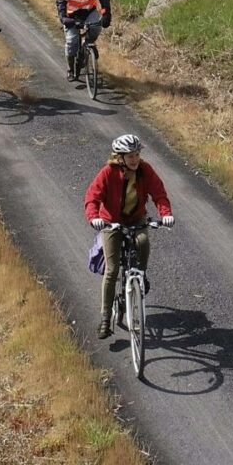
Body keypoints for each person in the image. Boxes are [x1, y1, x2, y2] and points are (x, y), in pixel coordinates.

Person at [84, 133, 175, 338]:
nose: (134, 159)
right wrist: (94, 218)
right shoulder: (108, 172)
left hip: (136, 219)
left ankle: (140, 275)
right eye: (130, 156)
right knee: (112, 270)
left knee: (142, 241)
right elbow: (92, 197)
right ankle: (106, 318)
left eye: (136, 154)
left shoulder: (145, 170)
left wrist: (166, 214)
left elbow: (159, 193)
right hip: (111, 222)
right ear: (119, 158)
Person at [54, 0, 112, 83]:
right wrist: (64, 18)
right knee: (71, 42)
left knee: (96, 27)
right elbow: (61, 3)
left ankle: (88, 45)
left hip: (89, 11)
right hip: (71, 15)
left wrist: (106, 14)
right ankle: (70, 70)